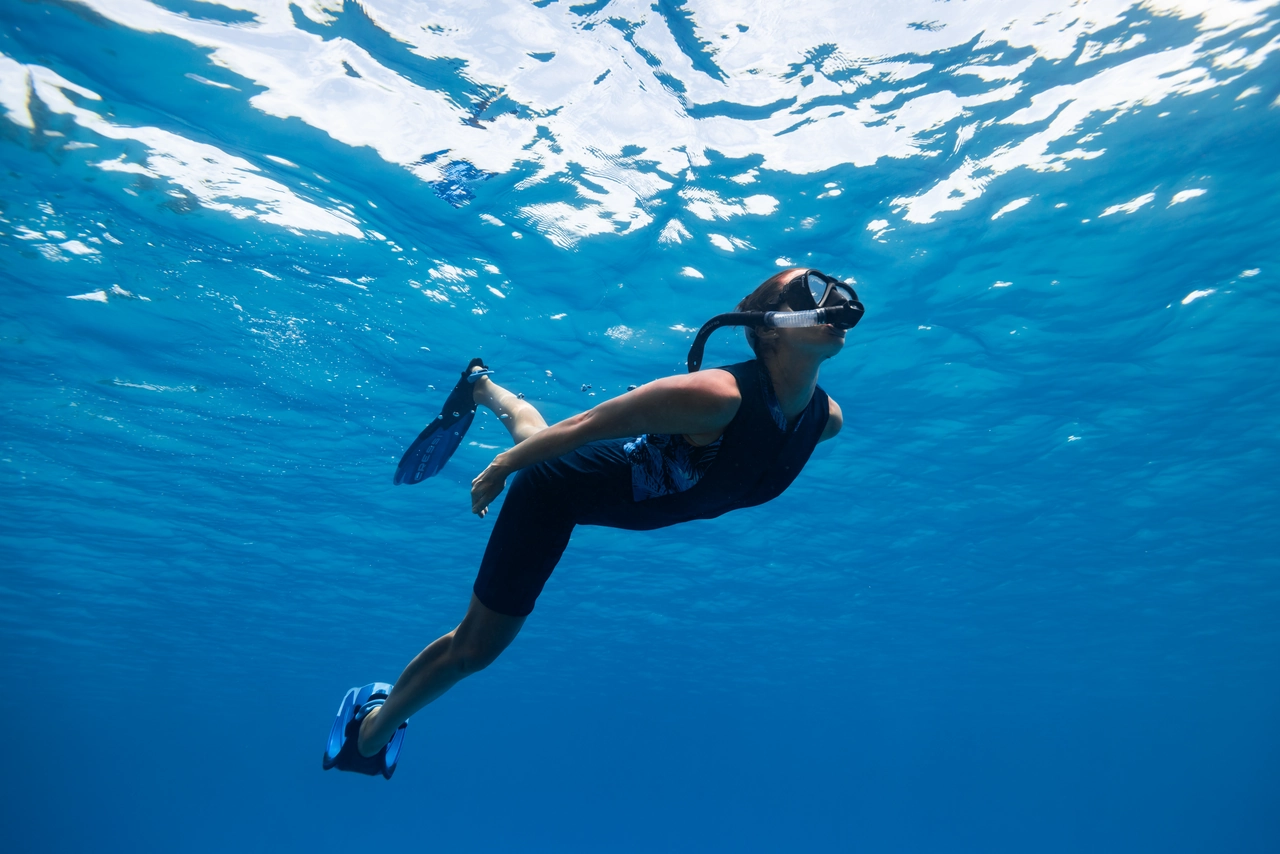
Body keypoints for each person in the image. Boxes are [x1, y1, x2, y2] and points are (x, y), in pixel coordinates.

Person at [323, 268, 863, 777]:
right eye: (807, 293)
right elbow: (586, 424)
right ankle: (367, 730)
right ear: (770, 330)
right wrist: (504, 467)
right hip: (554, 493)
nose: (828, 303)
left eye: (831, 293)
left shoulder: (823, 421)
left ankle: (481, 386)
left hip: (611, 484)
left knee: (544, 440)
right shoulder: (716, 396)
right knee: (475, 650)